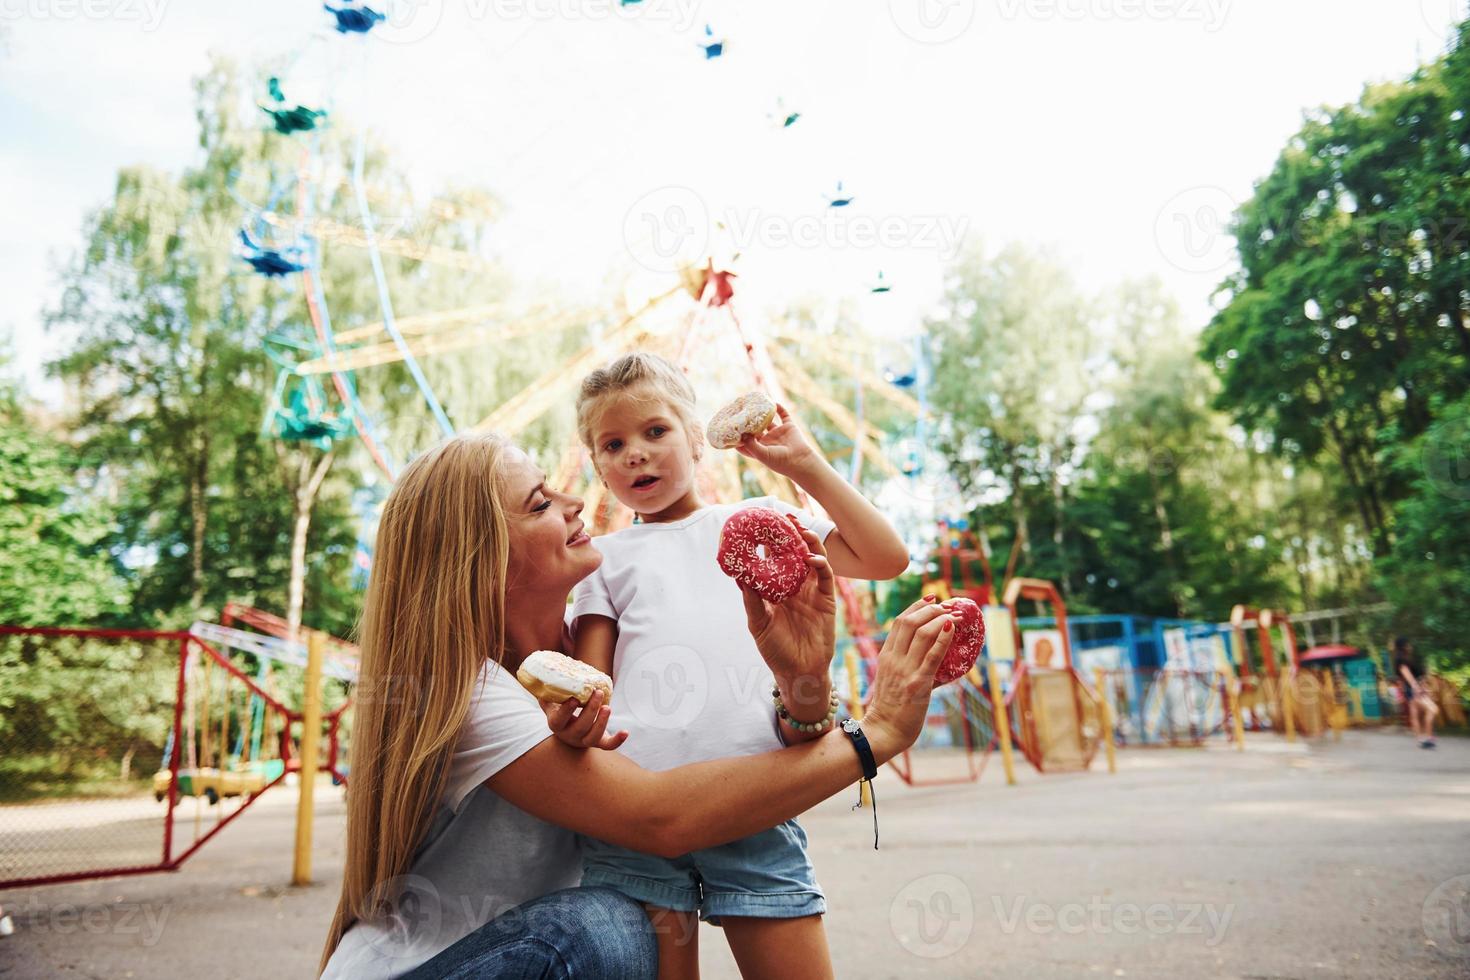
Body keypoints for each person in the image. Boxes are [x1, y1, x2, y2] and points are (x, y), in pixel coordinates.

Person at [318, 432, 960, 979]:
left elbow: (751, 750)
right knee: (605, 926)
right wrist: (875, 732)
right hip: (434, 964)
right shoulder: (469, 690)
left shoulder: (604, 655)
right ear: (482, 558)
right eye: (542, 502)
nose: (577, 504)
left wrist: (803, 678)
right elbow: (662, 818)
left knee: (618, 919)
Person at [563, 353, 910, 979]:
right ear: (598, 466)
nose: (636, 453)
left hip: (757, 797)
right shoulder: (603, 561)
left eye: (655, 431)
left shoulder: (758, 522)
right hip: (639, 814)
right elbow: (593, 684)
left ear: (698, 439)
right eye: (614, 444)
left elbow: (884, 558)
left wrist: (802, 464)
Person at [1392, 636, 1437, 748]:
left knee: (1416, 714)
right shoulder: (1401, 659)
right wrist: (1416, 687)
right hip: (1413, 688)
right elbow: (1406, 673)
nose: (1410, 646)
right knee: (1432, 709)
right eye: (1408, 644)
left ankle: (1421, 739)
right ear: (1403, 646)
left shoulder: (1403, 658)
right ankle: (1427, 737)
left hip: (1410, 688)